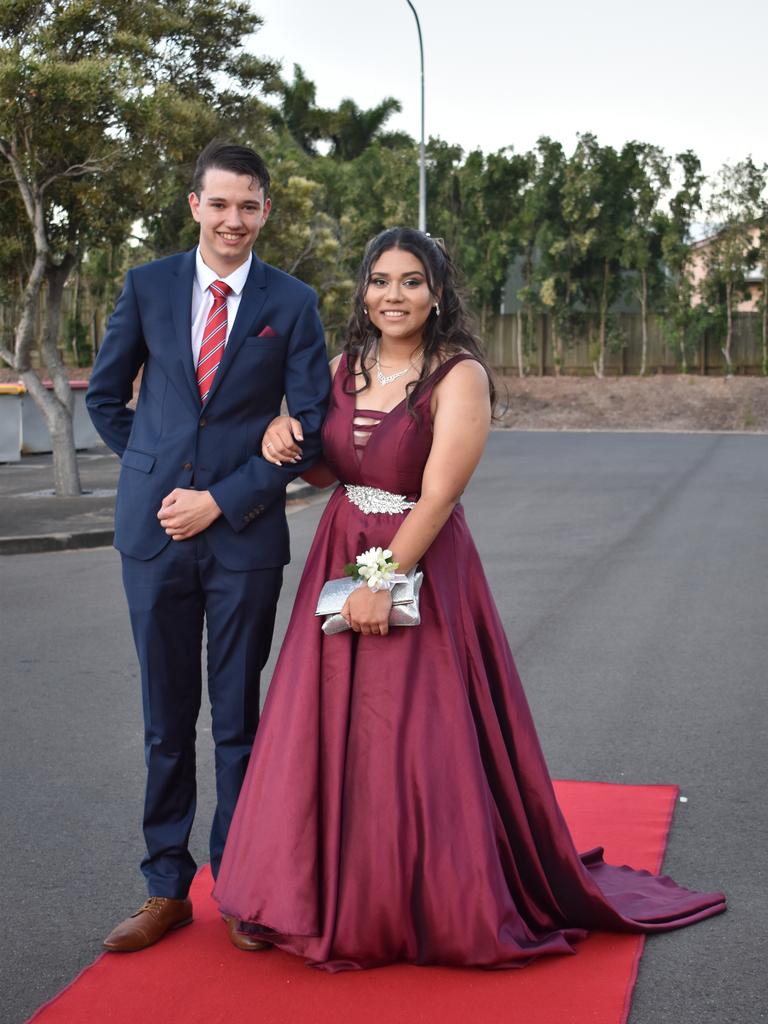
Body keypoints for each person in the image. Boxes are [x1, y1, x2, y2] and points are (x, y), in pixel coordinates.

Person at [213, 227, 725, 971]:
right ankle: (314, 893)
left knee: (415, 738)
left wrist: (378, 581)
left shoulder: (458, 376)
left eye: (412, 281)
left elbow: (440, 492)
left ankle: (413, 902)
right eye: (381, 280)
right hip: (339, 547)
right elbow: (329, 469)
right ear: (363, 291)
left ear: (439, 292)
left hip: (417, 562)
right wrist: (279, 435)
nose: (394, 295)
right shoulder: (342, 366)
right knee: (322, 734)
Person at [85, 141, 330, 953]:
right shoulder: (147, 285)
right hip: (153, 537)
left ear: (265, 211)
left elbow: (311, 425)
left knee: (238, 720)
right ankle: (165, 888)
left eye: (249, 205)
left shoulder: (291, 303)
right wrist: (156, 474)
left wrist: (220, 500)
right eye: (219, 203)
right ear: (195, 205)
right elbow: (109, 397)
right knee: (164, 719)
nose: (233, 219)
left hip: (243, 541)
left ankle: (242, 885)